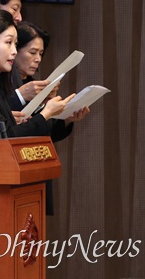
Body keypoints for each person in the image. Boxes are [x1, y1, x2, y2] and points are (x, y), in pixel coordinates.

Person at [0, 9, 75, 151]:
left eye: (15, 44)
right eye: (8, 42)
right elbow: (4, 139)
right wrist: (46, 113)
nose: (14, 51)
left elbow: (10, 132)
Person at [12, 21, 89, 214]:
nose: (38, 59)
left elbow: (44, 132)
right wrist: (43, 110)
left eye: (41, 54)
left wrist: (66, 118)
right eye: (32, 52)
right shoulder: (4, 85)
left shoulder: (33, 84)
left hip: (35, 167)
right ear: (15, 50)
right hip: (12, 169)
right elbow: (10, 129)